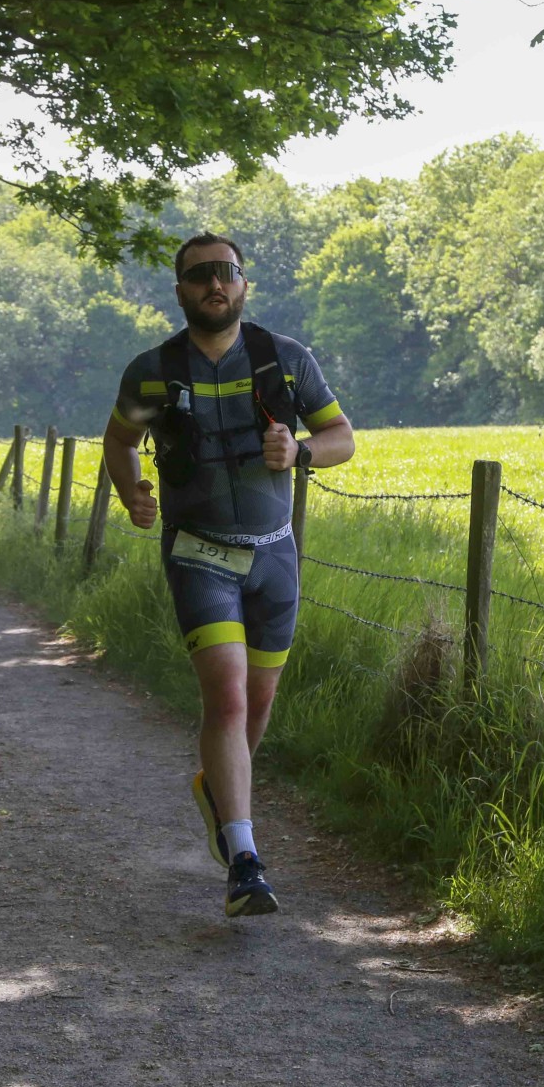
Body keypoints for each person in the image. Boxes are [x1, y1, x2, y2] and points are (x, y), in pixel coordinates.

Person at [102, 233, 356, 917]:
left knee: (260, 703)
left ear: (244, 283)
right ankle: (244, 860)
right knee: (229, 697)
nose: (216, 284)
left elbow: (343, 439)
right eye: (201, 275)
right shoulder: (152, 371)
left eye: (228, 272)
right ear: (181, 289)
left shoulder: (287, 359)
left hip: (274, 556)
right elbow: (120, 440)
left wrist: (299, 450)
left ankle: (219, 788)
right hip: (197, 551)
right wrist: (132, 494)